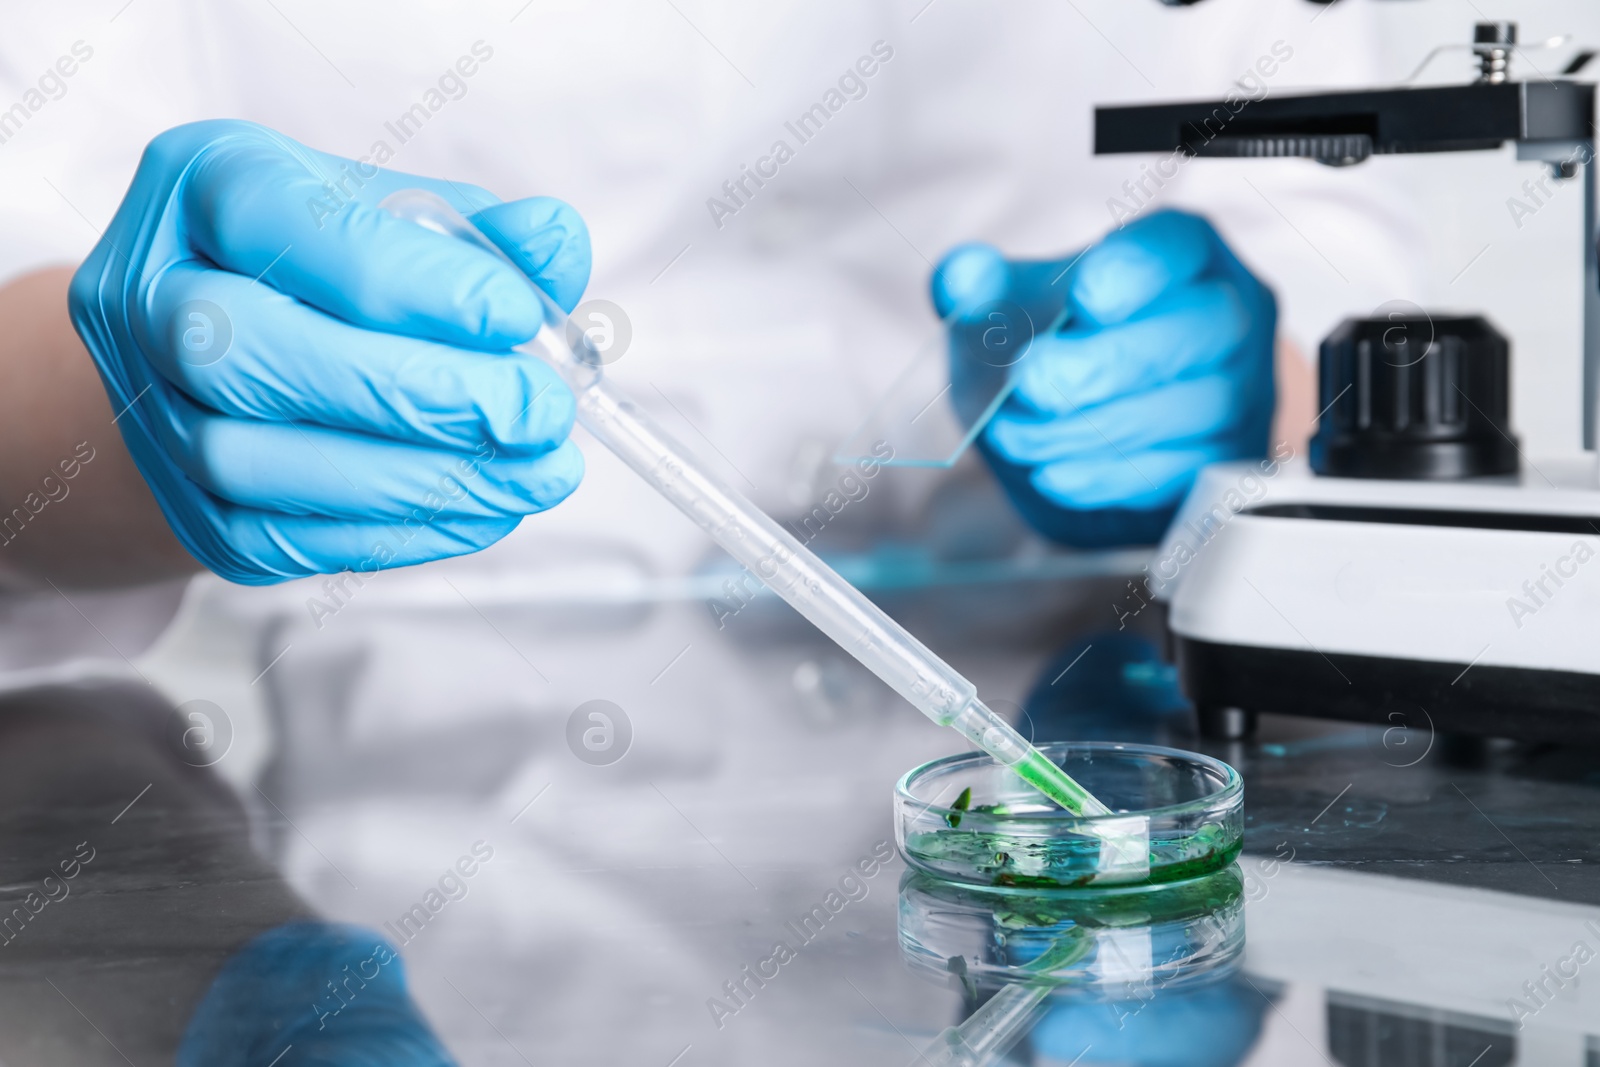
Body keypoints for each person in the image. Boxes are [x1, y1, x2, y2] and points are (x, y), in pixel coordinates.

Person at [0, 1, 1427, 1059]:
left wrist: (1256, 385)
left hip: (1064, 622)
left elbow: (1305, 160)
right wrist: (130, 404)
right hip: (432, 742)